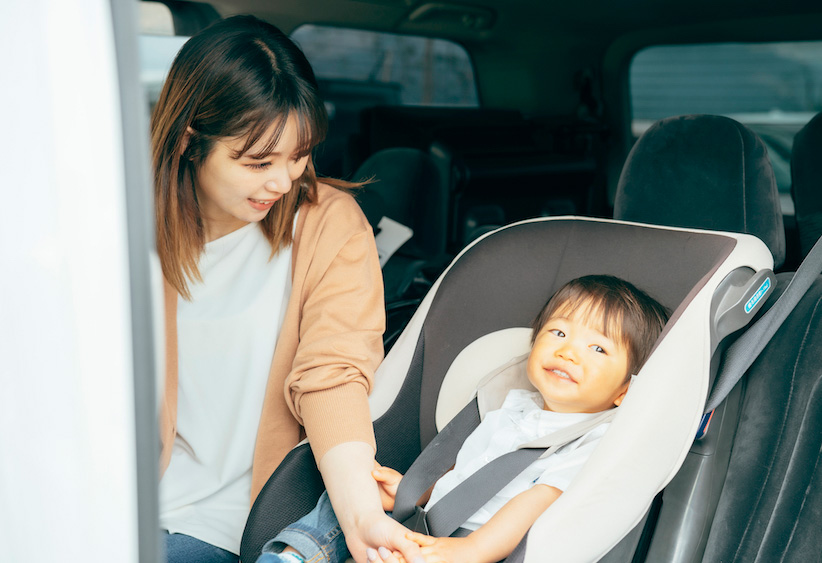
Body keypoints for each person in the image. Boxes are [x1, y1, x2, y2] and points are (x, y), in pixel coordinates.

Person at [151, 15, 422, 563]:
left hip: (229, 526)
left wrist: (360, 518)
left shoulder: (330, 225)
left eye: (298, 156)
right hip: (113, 508)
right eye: (258, 162)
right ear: (189, 140)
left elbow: (333, 375)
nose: (284, 181)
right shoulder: (119, 226)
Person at [257, 275, 671, 563]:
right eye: (559, 333)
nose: (568, 352)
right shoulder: (511, 405)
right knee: (352, 495)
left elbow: (535, 503)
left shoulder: (594, 441)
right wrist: (416, 491)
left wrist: (468, 552)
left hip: (482, 547)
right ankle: (298, 552)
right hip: (430, 526)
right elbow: (470, 471)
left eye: (598, 349)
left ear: (625, 391)